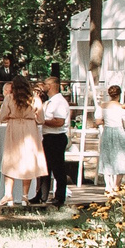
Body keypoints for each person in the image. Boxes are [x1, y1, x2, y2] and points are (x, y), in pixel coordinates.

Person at [0, 78, 47, 207]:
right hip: (29, 130)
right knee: (28, 160)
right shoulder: (35, 99)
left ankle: (8, 193)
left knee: (10, 160)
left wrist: (12, 116)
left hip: (14, 128)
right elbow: (41, 119)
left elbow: (2, 116)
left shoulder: (9, 98)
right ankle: (25, 196)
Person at [40, 77, 74, 209]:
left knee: (58, 168)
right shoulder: (49, 102)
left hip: (56, 137)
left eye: (46, 84)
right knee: (45, 167)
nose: (43, 86)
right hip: (47, 136)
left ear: (53, 86)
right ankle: (42, 195)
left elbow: (59, 121)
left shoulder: (59, 102)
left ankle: (60, 196)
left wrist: (42, 121)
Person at [98, 86, 125, 186]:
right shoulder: (122, 107)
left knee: (107, 158)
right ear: (119, 95)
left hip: (107, 131)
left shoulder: (102, 106)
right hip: (119, 131)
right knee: (122, 158)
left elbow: (98, 121)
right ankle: (116, 185)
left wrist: (105, 121)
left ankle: (108, 185)